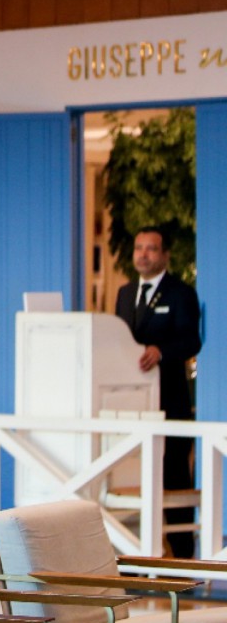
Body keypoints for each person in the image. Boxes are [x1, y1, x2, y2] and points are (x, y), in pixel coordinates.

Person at [113, 225, 202, 557]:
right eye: (139, 248)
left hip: (171, 401)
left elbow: (192, 340)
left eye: (151, 249)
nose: (143, 255)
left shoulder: (181, 293)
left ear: (165, 255)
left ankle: (183, 556)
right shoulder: (125, 293)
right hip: (131, 403)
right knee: (132, 474)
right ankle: (133, 554)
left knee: (175, 473)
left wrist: (162, 351)